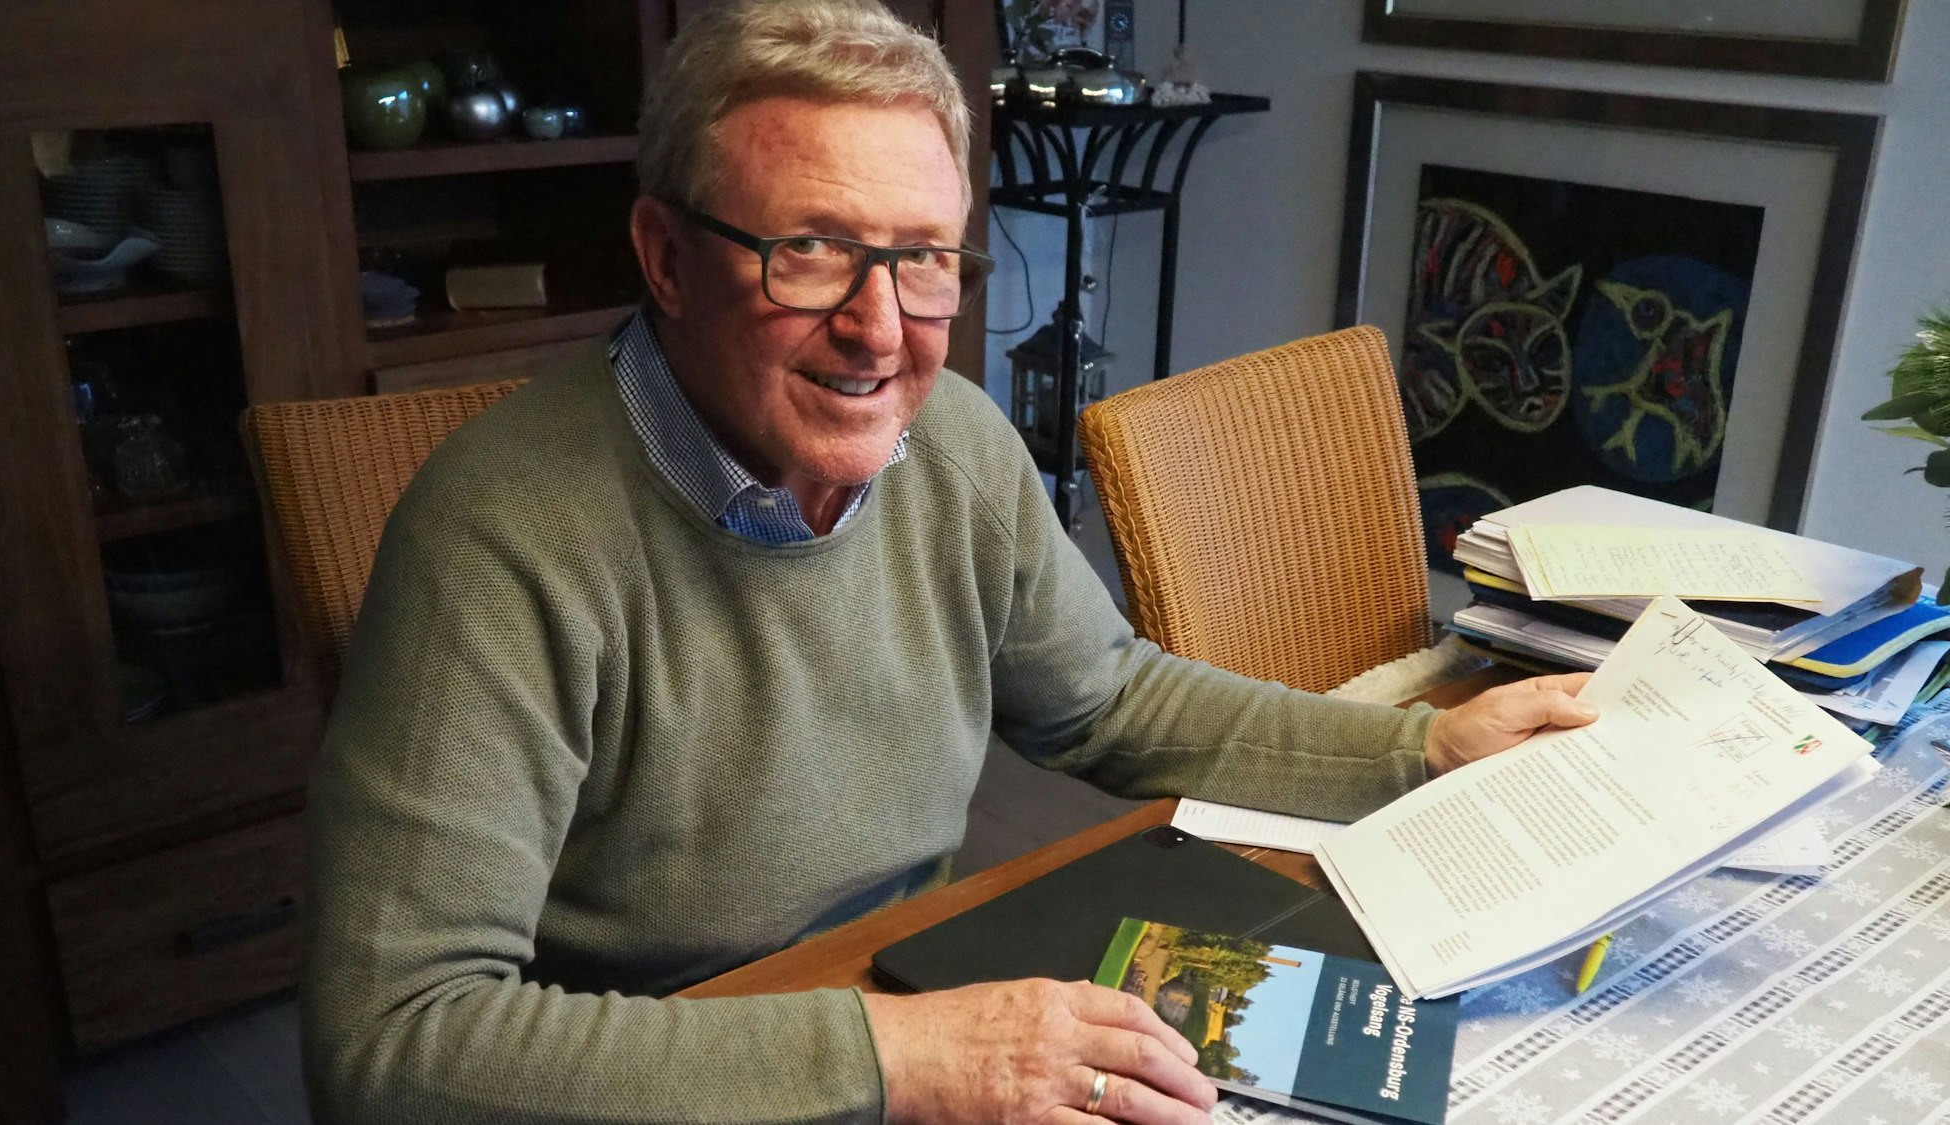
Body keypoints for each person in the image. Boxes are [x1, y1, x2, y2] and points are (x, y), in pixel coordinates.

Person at [299, 2, 1598, 1122]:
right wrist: (901, 1056)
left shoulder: (958, 445)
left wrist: (1417, 752)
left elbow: (1109, 699)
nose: (880, 330)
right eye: (808, 249)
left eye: (924, 259)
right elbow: (394, 1044)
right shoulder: (499, 536)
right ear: (668, 259)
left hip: (910, 1001)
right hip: (668, 1072)